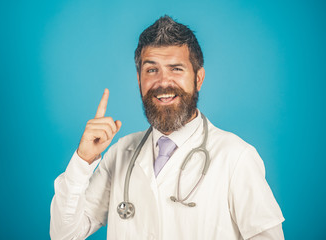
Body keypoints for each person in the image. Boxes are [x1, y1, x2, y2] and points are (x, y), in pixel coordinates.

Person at [50, 15, 285, 240]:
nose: (163, 82)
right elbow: (64, 235)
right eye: (151, 70)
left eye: (176, 68)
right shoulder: (121, 153)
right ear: (139, 80)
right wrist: (83, 161)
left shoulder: (236, 157)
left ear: (198, 78)